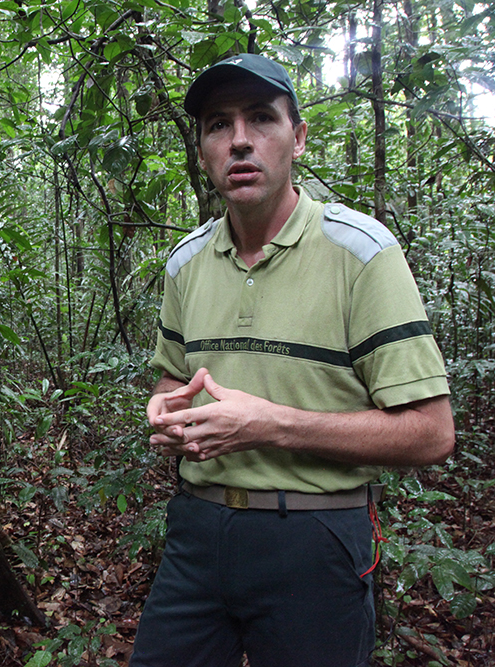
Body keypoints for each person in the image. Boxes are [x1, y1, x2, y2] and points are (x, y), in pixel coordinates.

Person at [129, 53, 455, 667]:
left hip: (315, 537)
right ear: (202, 151)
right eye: (218, 124)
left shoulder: (361, 255)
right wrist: (164, 406)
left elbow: (432, 433)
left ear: (298, 138)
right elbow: (175, 375)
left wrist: (271, 425)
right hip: (197, 533)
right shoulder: (185, 263)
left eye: (261, 119)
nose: (241, 140)